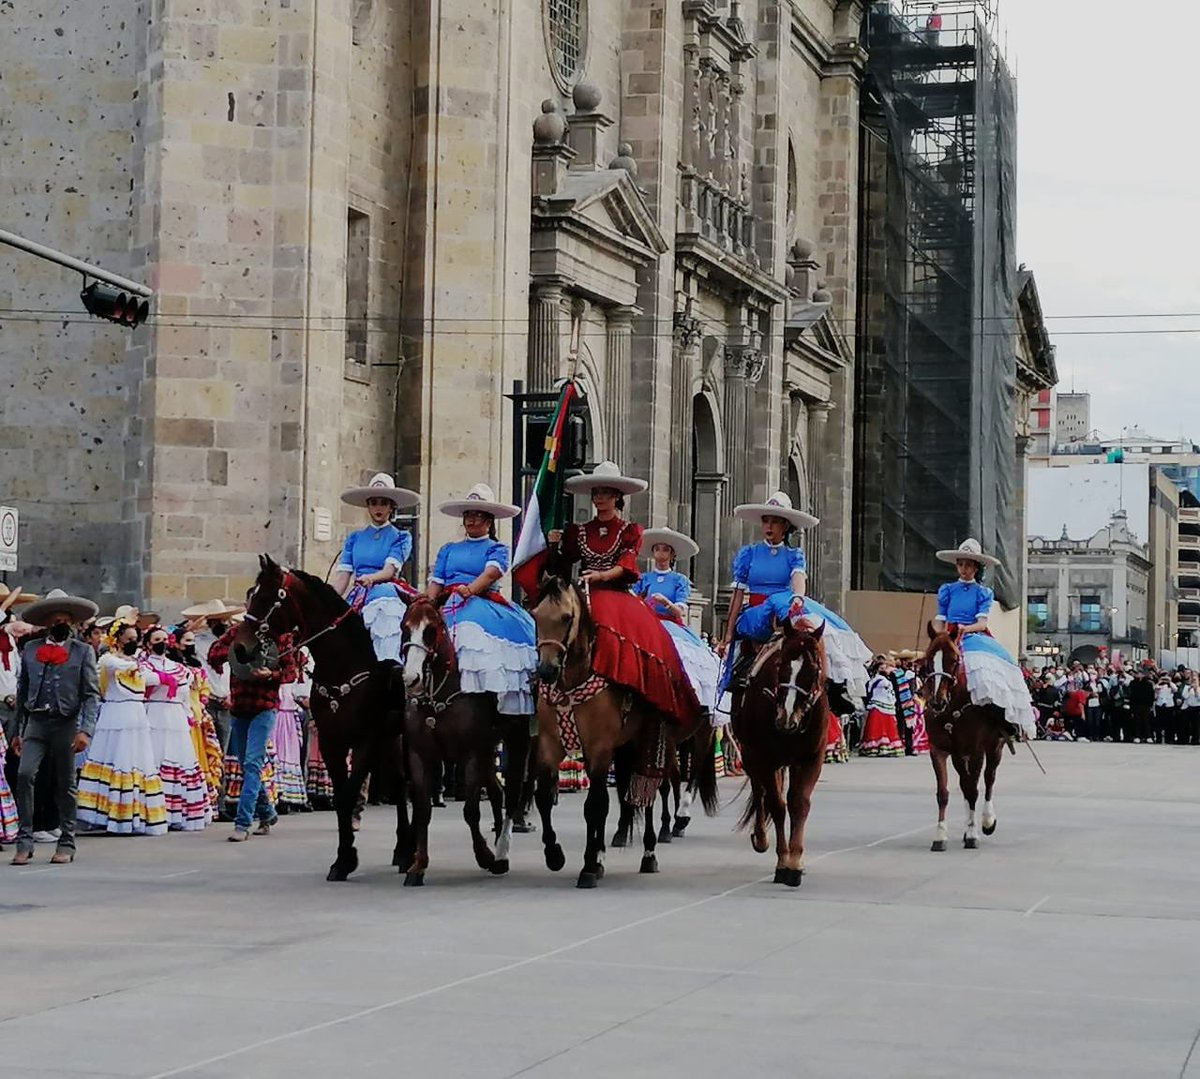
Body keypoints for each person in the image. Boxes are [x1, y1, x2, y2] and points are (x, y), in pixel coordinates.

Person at [544, 460, 698, 725]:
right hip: (584, 591)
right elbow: (562, 565)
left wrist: (600, 576)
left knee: (648, 636)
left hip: (616, 593)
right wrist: (554, 547)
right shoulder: (579, 531)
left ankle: (636, 694)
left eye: (605, 492)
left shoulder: (629, 531)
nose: (599, 497)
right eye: (596, 492)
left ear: (617, 497)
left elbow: (626, 566)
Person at [716, 492, 871, 704]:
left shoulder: (793, 555)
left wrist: (798, 597)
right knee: (777, 602)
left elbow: (798, 577)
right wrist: (728, 635)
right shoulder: (748, 554)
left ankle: (835, 681)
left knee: (815, 620)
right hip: (754, 616)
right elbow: (737, 596)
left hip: (785, 609)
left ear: (786, 526)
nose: (769, 526)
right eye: (766, 520)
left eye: (776, 521)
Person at [427, 483, 538, 716]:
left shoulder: (497, 548)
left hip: (479, 600)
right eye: (468, 515)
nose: (472, 521)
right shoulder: (448, 549)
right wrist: (428, 603)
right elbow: (437, 580)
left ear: (489, 520)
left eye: (478, 516)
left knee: (470, 630)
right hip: (448, 601)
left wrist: (469, 590)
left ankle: (484, 699)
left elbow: (491, 573)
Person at [10, 589, 100, 866]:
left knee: (65, 783)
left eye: (65, 619)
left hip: (66, 722)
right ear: (47, 622)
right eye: (55, 619)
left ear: (72, 623)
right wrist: (16, 731)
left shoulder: (83, 651)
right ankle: (24, 840)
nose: (60, 623)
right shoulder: (31, 650)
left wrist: (85, 730)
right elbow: (23, 692)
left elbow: (91, 694)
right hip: (36, 722)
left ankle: (67, 841)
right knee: (24, 775)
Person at [932, 539, 1036, 740]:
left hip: (972, 635)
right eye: (961, 564)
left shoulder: (982, 592)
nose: (964, 569)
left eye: (969, 565)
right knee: (933, 663)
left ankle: (999, 715)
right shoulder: (947, 590)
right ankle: (930, 705)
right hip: (949, 636)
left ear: (976, 568)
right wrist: (939, 634)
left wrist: (965, 629)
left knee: (983, 667)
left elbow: (981, 623)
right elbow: (940, 619)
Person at [208, 626, 300, 842]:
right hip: (239, 706)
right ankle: (267, 813)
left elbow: (291, 672)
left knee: (252, 763)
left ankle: (243, 823)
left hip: (265, 707)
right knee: (246, 764)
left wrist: (271, 674)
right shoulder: (237, 632)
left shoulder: (281, 636)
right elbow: (214, 654)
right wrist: (236, 650)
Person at [76, 621, 168, 835]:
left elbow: (151, 678)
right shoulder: (108, 659)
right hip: (115, 715)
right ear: (117, 640)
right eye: (129, 639)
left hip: (136, 716)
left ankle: (133, 815)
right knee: (116, 759)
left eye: (135, 639)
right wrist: (136, 665)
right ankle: (109, 814)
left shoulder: (137, 662)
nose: (133, 643)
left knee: (137, 763)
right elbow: (117, 668)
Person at [631, 526, 721, 718]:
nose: (660, 553)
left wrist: (666, 603)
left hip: (671, 624)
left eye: (665, 549)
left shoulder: (679, 580)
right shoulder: (645, 578)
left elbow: (680, 609)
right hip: (649, 624)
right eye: (657, 549)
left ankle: (693, 697)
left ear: (672, 554)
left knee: (682, 656)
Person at [333, 471, 420, 661]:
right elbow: (342, 578)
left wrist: (370, 578)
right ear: (368, 506)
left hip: (384, 589)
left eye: (384, 503)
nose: (378, 508)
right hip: (359, 593)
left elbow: (389, 571)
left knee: (387, 618)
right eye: (374, 503)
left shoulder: (401, 537)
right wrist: (326, 597)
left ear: (391, 507)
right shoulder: (355, 538)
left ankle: (389, 668)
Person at [182, 599, 244, 757]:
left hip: (226, 702)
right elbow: (175, 640)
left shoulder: (232, 643)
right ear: (210, 622)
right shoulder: (197, 641)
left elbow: (235, 670)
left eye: (225, 620)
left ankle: (219, 780)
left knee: (222, 749)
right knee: (205, 748)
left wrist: (232, 694)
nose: (224, 623)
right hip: (207, 700)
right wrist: (191, 628)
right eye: (219, 620)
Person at [861, 657, 904, 757]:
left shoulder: (884, 679)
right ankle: (876, 746)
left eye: (885, 667)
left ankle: (886, 746)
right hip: (878, 704)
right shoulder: (877, 680)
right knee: (877, 728)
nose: (885, 670)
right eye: (882, 668)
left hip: (886, 705)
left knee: (887, 727)